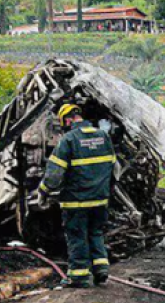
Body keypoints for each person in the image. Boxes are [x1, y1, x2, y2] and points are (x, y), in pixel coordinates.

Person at [38, 104, 115, 288]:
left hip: (76, 201)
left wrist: (43, 191)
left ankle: (79, 276)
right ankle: (101, 269)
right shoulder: (103, 136)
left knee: (77, 236)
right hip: (100, 199)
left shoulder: (69, 140)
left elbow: (54, 175)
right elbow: (113, 167)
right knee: (96, 233)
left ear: (67, 120)